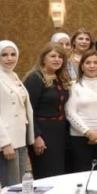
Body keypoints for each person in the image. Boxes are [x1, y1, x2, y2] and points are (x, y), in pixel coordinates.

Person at [0, 40, 34, 186]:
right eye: (4, 55)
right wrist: (5, 144)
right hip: (4, 143)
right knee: (7, 188)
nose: (9, 58)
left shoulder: (13, 75)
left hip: (19, 139)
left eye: (13, 54)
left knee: (19, 185)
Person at [23, 42, 70, 179]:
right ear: (44, 58)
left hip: (60, 132)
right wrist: (36, 137)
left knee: (59, 173)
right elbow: (28, 110)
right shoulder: (35, 78)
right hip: (43, 133)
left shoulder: (60, 78)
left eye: (60, 57)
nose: (57, 59)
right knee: (46, 174)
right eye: (53, 56)